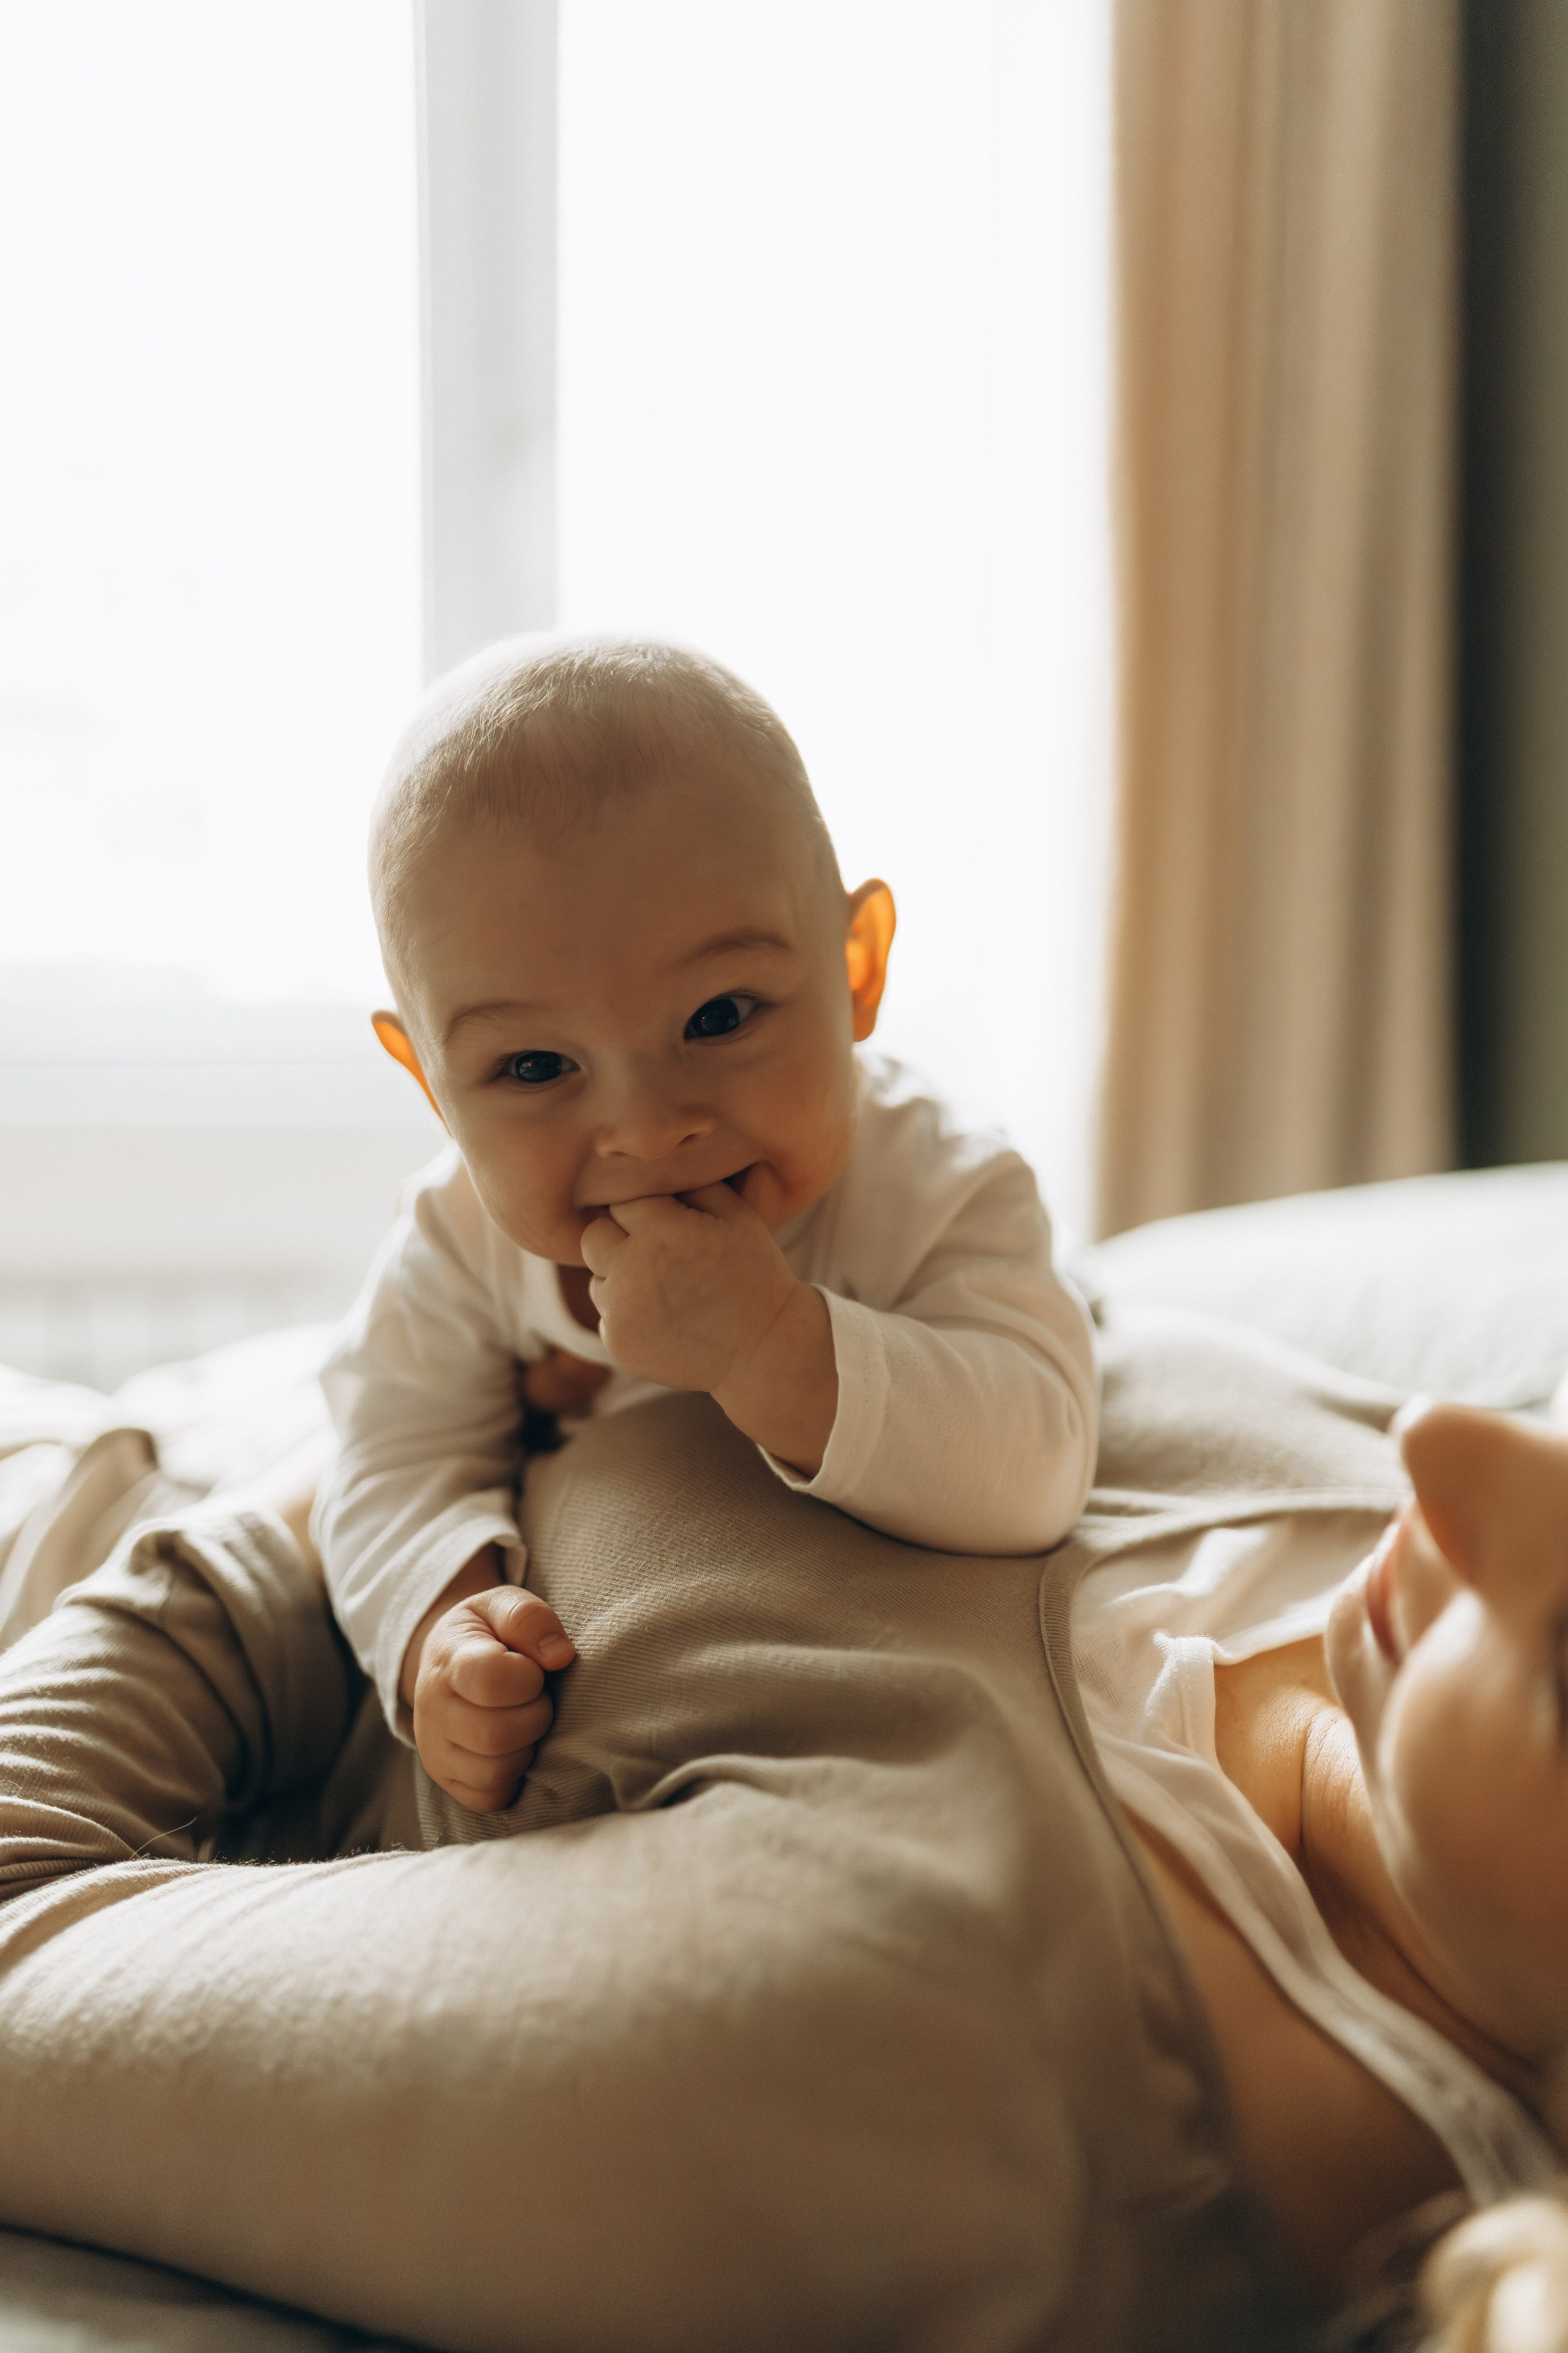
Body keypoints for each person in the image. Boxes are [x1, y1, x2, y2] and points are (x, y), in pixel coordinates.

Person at [0, 1307, 1564, 2347]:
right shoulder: (1415, 1555)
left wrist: (389, 1509)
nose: (1451, 1441)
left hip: (87, 1569)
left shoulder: (903, 2091)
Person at [315, 635, 1098, 1811]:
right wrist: (441, 1620)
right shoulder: (457, 1237)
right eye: (534, 1065)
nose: (643, 1127)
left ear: (856, 967)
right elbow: (390, 1456)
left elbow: (1040, 1458)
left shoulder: (940, 1185)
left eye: (720, 1014)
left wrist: (774, 1344)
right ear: (432, 1084)